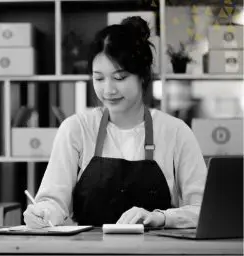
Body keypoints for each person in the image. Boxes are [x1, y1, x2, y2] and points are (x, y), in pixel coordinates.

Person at [23, 16, 207, 229]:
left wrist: (161, 217)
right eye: (99, 78)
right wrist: (42, 212)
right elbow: (54, 202)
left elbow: (203, 209)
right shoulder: (76, 129)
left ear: (143, 76)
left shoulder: (175, 132)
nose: (108, 90)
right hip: (86, 250)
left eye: (119, 78)